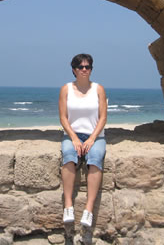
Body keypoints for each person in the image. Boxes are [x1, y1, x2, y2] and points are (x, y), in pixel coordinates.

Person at [59, 53, 107, 228]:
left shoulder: (98, 89)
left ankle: (88, 210)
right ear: (74, 69)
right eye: (81, 67)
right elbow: (63, 117)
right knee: (69, 156)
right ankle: (68, 206)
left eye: (88, 67)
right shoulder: (66, 89)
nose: (85, 70)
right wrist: (74, 137)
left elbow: (103, 118)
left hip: (95, 135)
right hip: (73, 134)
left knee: (95, 159)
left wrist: (92, 138)